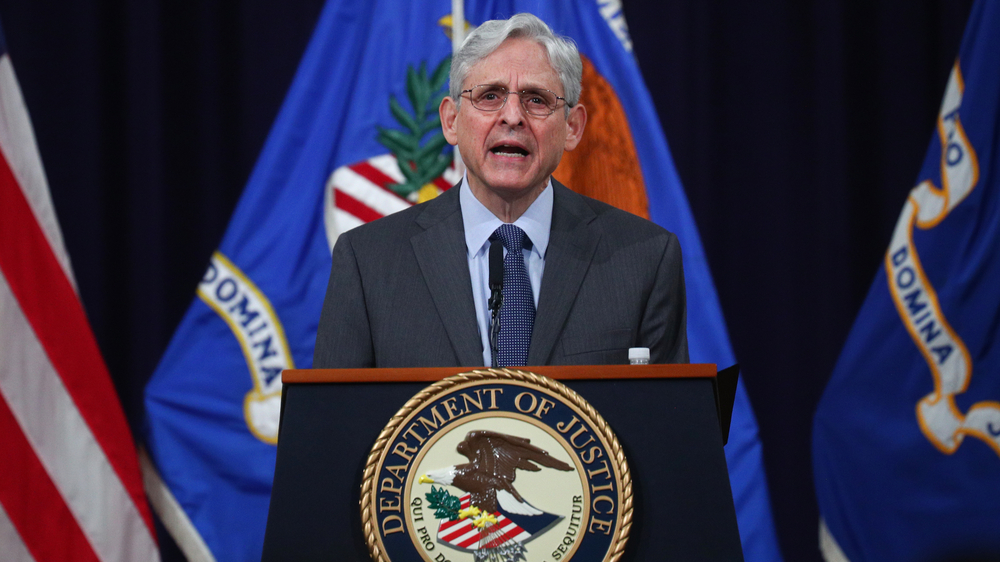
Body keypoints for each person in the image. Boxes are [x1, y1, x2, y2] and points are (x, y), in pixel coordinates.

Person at [313, 13, 687, 368]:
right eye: (489, 96)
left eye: (536, 99)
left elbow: (668, 426)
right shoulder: (368, 262)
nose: (512, 116)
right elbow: (334, 429)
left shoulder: (644, 259)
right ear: (452, 121)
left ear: (572, 127)